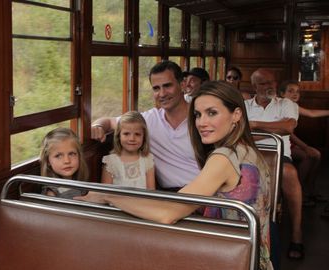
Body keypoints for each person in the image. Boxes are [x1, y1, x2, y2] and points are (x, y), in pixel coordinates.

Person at [78, 81, 273, 270]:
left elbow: (168, 214)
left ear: (236, 114)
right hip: (254, 255)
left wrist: (107, 196)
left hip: (233, 259)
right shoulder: (249, 151)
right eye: (197, 115)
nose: (201, 123)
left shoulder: (223, 158)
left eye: (212, 113)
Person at [91, 60, 200, 191]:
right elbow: (109, 121)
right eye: (156, 88)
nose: (162, 93)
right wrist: (98, 126)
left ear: (182, 85)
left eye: (167, 86)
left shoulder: (201, 118)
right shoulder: (149, 119)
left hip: (204, 190)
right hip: (171, 195)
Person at [244, 69, 304, 260]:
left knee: (289, 173)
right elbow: (239, 132)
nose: (269, 86)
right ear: (254, 86)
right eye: (263, 83)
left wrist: (253, 125)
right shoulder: (244, 105)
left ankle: (296, 232)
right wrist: (272, 129)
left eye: (272, 82)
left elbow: (288, 127)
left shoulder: (286, 104)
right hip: (250, 155)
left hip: (279, 154)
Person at [279, 80, 328, 206]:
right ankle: (296, 190)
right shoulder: (282, 105)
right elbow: (288, 132)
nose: (295, 94)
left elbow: (311, 113)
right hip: (282, 141)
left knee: (316, 155)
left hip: (290, 142)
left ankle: (309, 189)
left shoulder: (293, 106)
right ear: (282, 94)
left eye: (297, 92)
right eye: (290, 91)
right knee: (308, 155)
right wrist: (305, 147)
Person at [101, 111, 155, 189]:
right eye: (126, 134)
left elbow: (151, 192)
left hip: (143, 201)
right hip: (117, 201)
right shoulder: (110, 162)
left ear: (144, 136)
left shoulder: (148, 160)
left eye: (137, 134)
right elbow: (105, 193)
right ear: (118, 136)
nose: (132, 139)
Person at [39, 127, 89, 199]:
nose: (67, 161)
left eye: (71, 154)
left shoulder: (80, 183)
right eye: (58, 156)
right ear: (48, 161)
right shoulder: (51, 193)